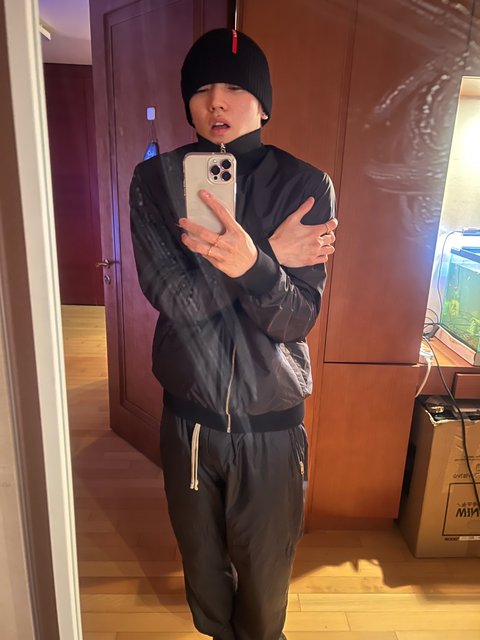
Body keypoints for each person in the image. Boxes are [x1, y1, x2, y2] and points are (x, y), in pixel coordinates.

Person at [130, 28, 337, 640]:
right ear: (188, 103)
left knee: (266, 579)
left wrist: (254, 265)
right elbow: (176, 300)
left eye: (235, 88)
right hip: (189, 420)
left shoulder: (306, 186)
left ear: (263, 104)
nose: (216, 101)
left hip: (272, 422)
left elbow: (295, 319)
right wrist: (264, 256)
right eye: (201, 89)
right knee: (204, 572)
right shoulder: (155, 181)